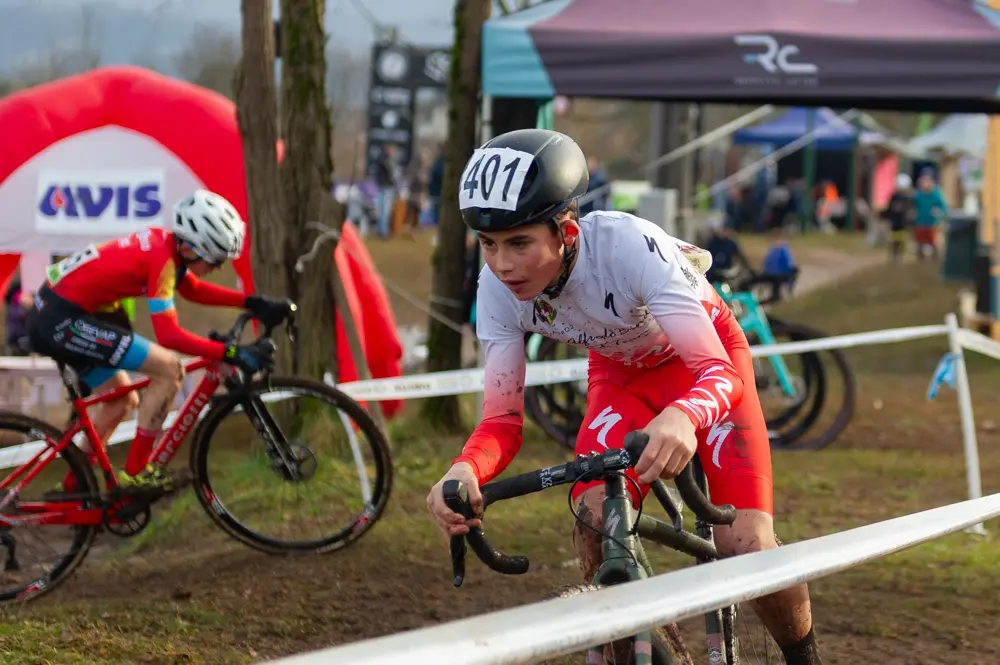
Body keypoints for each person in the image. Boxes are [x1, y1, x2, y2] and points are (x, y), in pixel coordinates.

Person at [426, 129, 823, 665]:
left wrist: (684, 415)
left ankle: (805, 657)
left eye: (519, 243)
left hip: (704, 364)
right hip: (622, 377)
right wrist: (466, 468)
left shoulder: (628, 247)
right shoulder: (496, 291)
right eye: (488, 244)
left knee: (745, 547)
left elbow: (718, 371)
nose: (502, 264)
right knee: (594, 517)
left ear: (566, 231)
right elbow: (503, 422)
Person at [27, 189, 294, 494]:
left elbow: (192, 289)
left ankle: (74, 490)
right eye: (216, 258)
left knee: (120, 401)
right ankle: (137, 475)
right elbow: (169, 336)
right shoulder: (163, 259)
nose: (218, 267)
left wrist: (253, 302)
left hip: (63, 314)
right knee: (169, 370)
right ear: (191, 247)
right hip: (62, 320)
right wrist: (231, 352)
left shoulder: (165, 248)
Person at [913, 168, 948, 261]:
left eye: (927, 180)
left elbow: (944, 209)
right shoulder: (918, 195)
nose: (925, 183)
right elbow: (913, 207)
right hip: (920, 223)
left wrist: (939, 213)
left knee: (934, 246)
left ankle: (934, 263)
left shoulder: (936, 194)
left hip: (933, 224)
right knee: (920, 246)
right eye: (923, 180)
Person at [883, 173, 915, 262]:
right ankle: (894, 255)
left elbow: (910, 210)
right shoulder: (894, 197)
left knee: (901, 240)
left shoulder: (908, 198)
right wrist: (887, 218)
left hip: (903, 223)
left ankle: (899, 255)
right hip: (895, 223)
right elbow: (889, 209)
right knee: (894, 240)